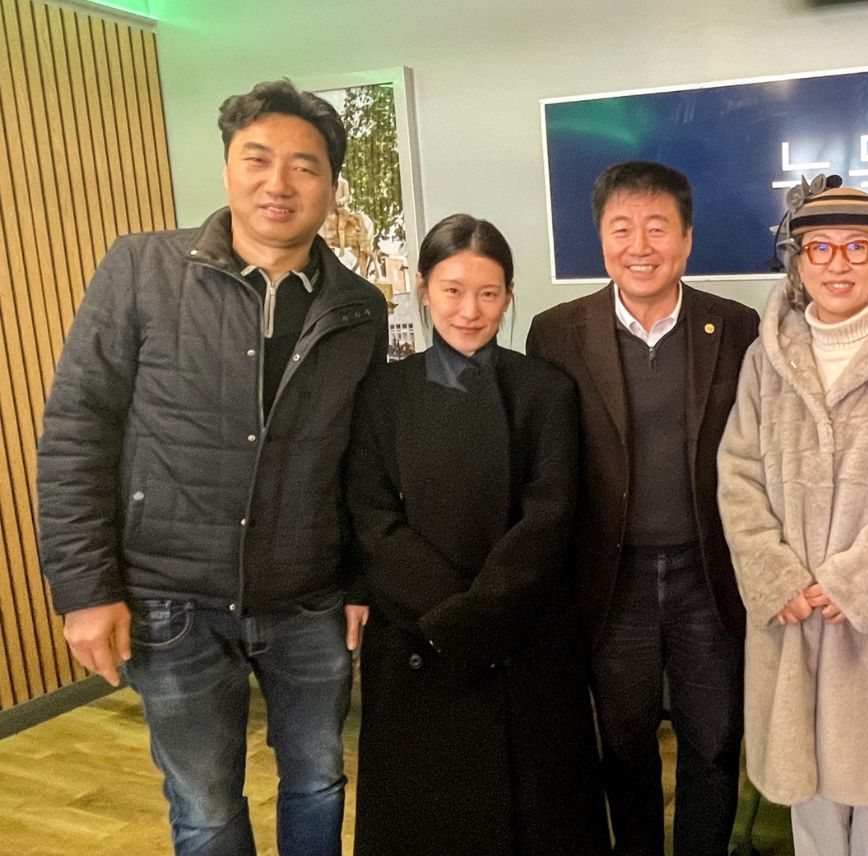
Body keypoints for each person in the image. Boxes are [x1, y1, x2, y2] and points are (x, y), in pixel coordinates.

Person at [36, 80, 387, 855]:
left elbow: (362, 462)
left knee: (320, 779)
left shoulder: (358, 306)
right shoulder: (141, 270)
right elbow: (76, 430)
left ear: (330, 186)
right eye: (257, 159)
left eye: (305, 166)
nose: (279, 182)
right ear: (227, 168)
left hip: (308, 602)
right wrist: (86, 588)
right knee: (203, 804)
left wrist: (361, 583)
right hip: (172, 602)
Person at [344, 214, 607, 854]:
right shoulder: (382, 392)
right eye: (453, 289)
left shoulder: (545, 389)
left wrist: (482, 611)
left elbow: (550, 514)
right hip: (418, 632)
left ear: (509, 297)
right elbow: (373, 517)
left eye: (488, 293)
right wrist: (450, 614)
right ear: (424, 292)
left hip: (522, 633)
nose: (470, 310)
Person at [718, 179, 868, 855]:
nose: (837, 262)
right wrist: (776, 575)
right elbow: (737, 470)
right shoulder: (768, 354)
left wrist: (859, 579)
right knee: (810, 797)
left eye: (858, 247)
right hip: (793, 608)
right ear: (797, 263)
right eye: (818, 247)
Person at [524, 160, 759, 855]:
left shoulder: (737, 328)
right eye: (621, 228)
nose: (640, 245)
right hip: (610, 580)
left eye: (658, 228)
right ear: (601, 238)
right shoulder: (557, 332)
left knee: (713, 742)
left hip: (707, 579)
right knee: (623, 746)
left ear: (687, 241)